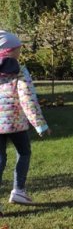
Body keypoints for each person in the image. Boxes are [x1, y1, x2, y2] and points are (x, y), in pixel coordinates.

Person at [0, 31, 50, 209]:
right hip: (15, 124)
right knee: (24, 152)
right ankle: (18, 190)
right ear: (9, 51)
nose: (19, 54)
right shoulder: (19, 70)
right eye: (17, 50)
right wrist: (40, 125)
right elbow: (27, 99)